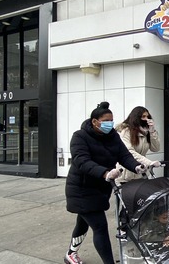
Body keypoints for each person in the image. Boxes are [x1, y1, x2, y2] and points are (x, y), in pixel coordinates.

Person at [64, 102, 146, 264]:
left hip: (100, 189)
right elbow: (82, 161)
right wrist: (105, 173)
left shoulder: (112, 136)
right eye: (106, 120)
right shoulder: (79, 136)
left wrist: (137, 167)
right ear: (95, 121)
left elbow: (124, 155)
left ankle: (70, 254)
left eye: (112, 120)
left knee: (83, 222)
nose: (110, 123)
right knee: (100, 227)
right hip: (81, 190)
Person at [114, 106, 162, 184]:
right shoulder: (126, 132)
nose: (146, 119)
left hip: (142, 172)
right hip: (127, 174)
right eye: (143, 116)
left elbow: (155, 148)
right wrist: (148, 162)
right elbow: (129, 152)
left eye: (147, 116)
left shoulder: (146, 132)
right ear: (136, 118)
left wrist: (152, 131)